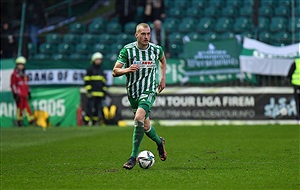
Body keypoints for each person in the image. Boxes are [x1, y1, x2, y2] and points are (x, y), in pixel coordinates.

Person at [112, 23, 167, 170]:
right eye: (143, 34)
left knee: (138, 118)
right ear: (136, 35)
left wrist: (163, 78)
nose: (146, 37)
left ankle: (132, 157)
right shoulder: (128, 50)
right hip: (133, 92)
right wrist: (128, 69)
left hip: (149, 90)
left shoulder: (156, 49)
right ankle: (159, 142)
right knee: (146, 126)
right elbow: (115, 71)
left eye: (148, 34)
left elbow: (163, 59)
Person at [83, 52, 107, 126]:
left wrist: (104, 92)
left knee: (97, 109)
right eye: (97, 59)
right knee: (89, 108)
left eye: (100, 60)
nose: (99, 61)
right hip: (92, 93)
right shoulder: (90, 69)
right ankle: (86, 122)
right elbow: (87, 81)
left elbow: (104, 82)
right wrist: (89, 91)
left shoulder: (101, 70)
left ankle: (94, 123)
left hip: (99, 94)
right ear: (94, 60)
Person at [10, 56, 35, 126]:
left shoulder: (25, 75)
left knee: (27, 107)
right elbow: (13, 85)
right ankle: (19, 120)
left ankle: (31, 120)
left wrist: (28, 92)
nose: (20, 66)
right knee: (19, 108)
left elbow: (26, 85)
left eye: (22, 65)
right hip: (19, 94)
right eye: (19, 65)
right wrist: (15, 94)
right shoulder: (14, 74)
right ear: (17, 65)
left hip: (24, 94)